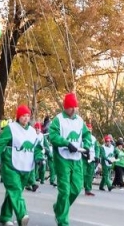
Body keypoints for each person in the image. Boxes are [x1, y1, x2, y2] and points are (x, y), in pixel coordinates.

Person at [0, 104, 42, 226]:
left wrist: (39, 157)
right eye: (23, 115)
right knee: (15, 189)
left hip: (25, 167)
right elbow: (0, 143)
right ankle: (22, 215)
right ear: (18, 116)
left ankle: (4, 216)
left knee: (13, 192)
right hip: (10, 165)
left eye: (28, 116)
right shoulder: (11, 128)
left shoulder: (32, 131)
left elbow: (37, 147)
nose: (25, 118)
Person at [48, 92, 91, 226]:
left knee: (77, 188)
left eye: (75, 107)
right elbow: (52, 136)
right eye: (71, 107)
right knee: (65, 190)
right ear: (66, 107)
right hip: (62, 158)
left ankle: (59, 208)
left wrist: (87, 146)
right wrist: (66, 143)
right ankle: (63, 221)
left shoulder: (80, 121)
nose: (74, 109)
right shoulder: (58, 120)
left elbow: (86, 135)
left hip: (76, 157)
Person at [82, 123, 98, 196]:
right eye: (88, 129)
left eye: (90, 129)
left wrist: (97, 156)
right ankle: (79, 186)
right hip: (84, 157)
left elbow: (97, 148)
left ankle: (88, 189)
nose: (89, 131)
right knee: (83, 173)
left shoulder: (94, 138)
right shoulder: (82, 137)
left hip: (92, 158)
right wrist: (84, 154)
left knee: (90, 174)